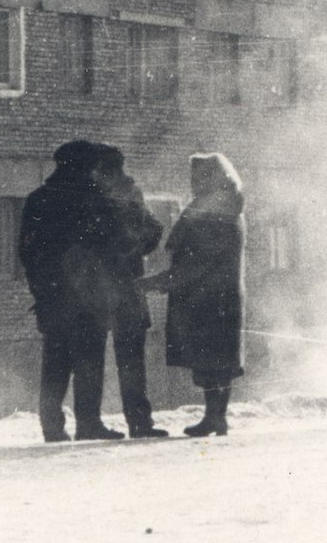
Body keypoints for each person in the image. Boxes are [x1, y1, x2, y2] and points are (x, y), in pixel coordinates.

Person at [17, 140, 131, 443]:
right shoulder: (95, 199)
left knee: (55, 362)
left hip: (52, 296)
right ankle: (88, 423)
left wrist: (41, 288)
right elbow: (120, 242)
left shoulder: (38, 199)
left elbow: (26, 252)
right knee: (89, 362)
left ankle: (51, 426)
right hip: (90, 297)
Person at [154, 152, 247, 438]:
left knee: (215, 360)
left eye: (199, 176)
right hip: (209, 295)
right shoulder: (217, 207)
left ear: (214, 177)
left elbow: (197, 262)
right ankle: (214, 417)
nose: (193, 182)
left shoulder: (217, 212)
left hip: (212, 297)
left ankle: (215, 417)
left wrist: (160, 282)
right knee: (211, 360)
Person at [96, 150, 167, 438]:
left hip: (102, 289)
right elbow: (154, 230)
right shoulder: (130, 194)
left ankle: (92, 423)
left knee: (96, 359)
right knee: (131, 361)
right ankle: (139, 423)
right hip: (126, 287)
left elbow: (152, 230)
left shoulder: (99, 196)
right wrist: (136, 249)